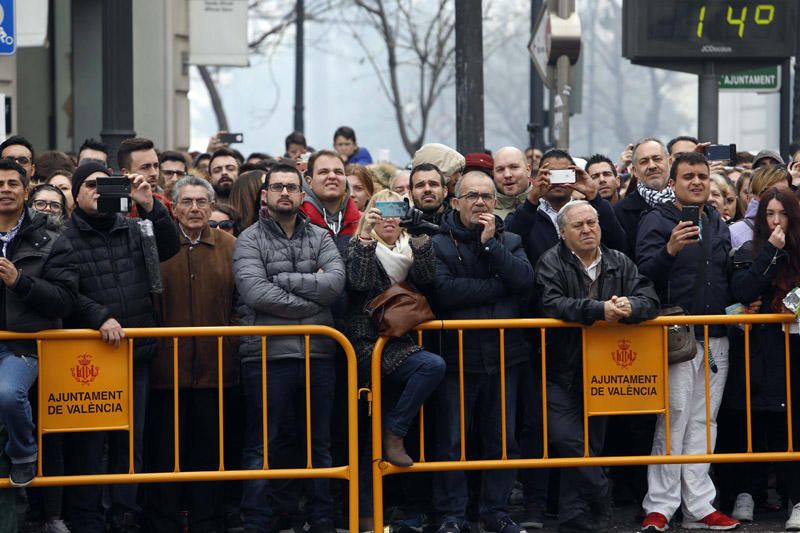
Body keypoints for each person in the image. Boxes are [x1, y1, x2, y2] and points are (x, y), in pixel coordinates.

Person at [61, 162, 180, 533]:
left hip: (135, 351)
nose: (98, 191)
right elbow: (65, 292)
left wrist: (149, 205)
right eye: (91, 185)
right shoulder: (64, 236)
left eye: (105, 184)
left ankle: (125, 514)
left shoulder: (133, 227)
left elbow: (169, 247)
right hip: (89, 355)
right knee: (92, 443)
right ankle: (89, 518)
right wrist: (99, 317)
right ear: (76, 194)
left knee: (132, 442)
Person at [534, 201, 659, 533]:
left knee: (591, 444)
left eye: (592, 222)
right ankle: (602, 490)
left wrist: (632, 306)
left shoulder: (619, 260)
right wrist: (597, 309)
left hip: (605, 369)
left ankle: (573, 513)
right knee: (566, 438)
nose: (588, 229)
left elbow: (650, 298)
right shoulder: (550, 261)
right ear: (563, 232)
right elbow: (551, 304)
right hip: (561, 367)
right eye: (579, 225)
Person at [234, 161, 345, 533]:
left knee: (319, 445)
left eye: (291, 187)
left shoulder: (322, 237)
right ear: (264, 195)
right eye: (277, 187)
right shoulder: (249, 238)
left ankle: (321, 519)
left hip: (319, 355)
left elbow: (334, 284)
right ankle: (258, 520)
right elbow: (255, 292)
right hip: (265, 356)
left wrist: (281, 280)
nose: (284, 192)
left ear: (302, 194)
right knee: (263, 446)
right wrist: (313, 305)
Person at [636, 152, 738, 532]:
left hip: (717, 335)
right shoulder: (655, 220)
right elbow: (642, 271)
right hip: (677, 336)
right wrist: (669, 251)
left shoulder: (717, 220)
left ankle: (699, 506)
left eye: (702, 175)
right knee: (673, 420)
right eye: (688, 176)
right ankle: (660, 506)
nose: (696, 182)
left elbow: (725, 274)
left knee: (704, 423)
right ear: (674, 183)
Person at [431, 171, 533, 533]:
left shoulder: (511, 239)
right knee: (452, 441)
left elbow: (523, 282)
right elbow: (443, 292)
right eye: (472, 195)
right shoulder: (437, 243)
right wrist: (495, 287)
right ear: (455, 201)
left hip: (504, 356)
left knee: (502, 440)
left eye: (487, 197)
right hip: (456, 358)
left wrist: (492, 246)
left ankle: (495, 512)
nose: (480, 202)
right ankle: (452, 516)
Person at [344, 189, 446, 528]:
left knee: (409, 432)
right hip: (366, 346)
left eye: (396, 210)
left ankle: (396, 436)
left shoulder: (410, 248)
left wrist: (419, 235)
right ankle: (365, 515)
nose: (389, 218)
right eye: (380, 210)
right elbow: (357, 283)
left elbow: (430, 279)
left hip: (405, 345)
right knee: (363, 440)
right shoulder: (357, 245)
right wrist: (363, 236)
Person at [145, 175, 238, 532]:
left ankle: (209, 522)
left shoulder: (230, 245)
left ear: (212, 206)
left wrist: (231, 340)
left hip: (218, 370)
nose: (195, 208)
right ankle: (162, 522)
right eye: (187, 202)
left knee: (211, 454)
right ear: (174, 207)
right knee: (165, 453)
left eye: (202, 201)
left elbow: (240, 303)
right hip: (165, 371)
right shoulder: (157, 245)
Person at [724, 187, 800, 531]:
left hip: (792, 351)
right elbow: (741, 292)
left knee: (792, 426)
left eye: (782, 214)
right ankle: (746, 493)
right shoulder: (746, 249)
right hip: (753, 352)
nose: (775, 221)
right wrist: (771, 252)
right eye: (769, 214)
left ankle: (795, 498)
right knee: (750, 422)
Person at [0, 158, 77, 494]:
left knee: (7, 394)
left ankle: (23, 453)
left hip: (23, 343)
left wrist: (20, 282)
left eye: (12, 184)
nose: (5, 190)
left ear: (26, 190)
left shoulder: (51, 239)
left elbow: (64, 300)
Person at [614, 138, 671, 258]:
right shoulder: (621, 212)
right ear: (634, 171)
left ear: (670, 162)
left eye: (657, 159)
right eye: (644, 161)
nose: (652, 166)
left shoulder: (688, 202)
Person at [300, 150, 362, 253]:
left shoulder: (361, 222)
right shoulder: (295, 219)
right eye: (323, 172)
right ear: (309, 181)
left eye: (338, 172)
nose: (332, 176)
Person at [729, 165, 791, 249]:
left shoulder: (794, 229)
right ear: (756, 195)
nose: (778, 198)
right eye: (771, 192)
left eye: (784, 193)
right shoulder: (734, 233)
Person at [492, 147, 531, 220]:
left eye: (514, 167)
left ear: (528, 170)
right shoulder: (486, 211)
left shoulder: (547, 204)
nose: (507, 175)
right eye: (500, 169)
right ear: (493, 174)